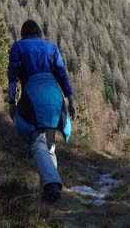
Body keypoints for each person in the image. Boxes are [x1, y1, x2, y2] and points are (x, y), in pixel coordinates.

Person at [8, 19, 77, 204]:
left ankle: (52, 184)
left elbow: (12, 76)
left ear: (23, 33)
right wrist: (70, 101)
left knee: (38, 142)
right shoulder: (51, 47)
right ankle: (47, 199)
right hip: (55, 95)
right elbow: (62, 75)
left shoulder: (18, 47)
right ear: (38, 32)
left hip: (33, 94)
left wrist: (11, 102)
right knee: (50, 146)